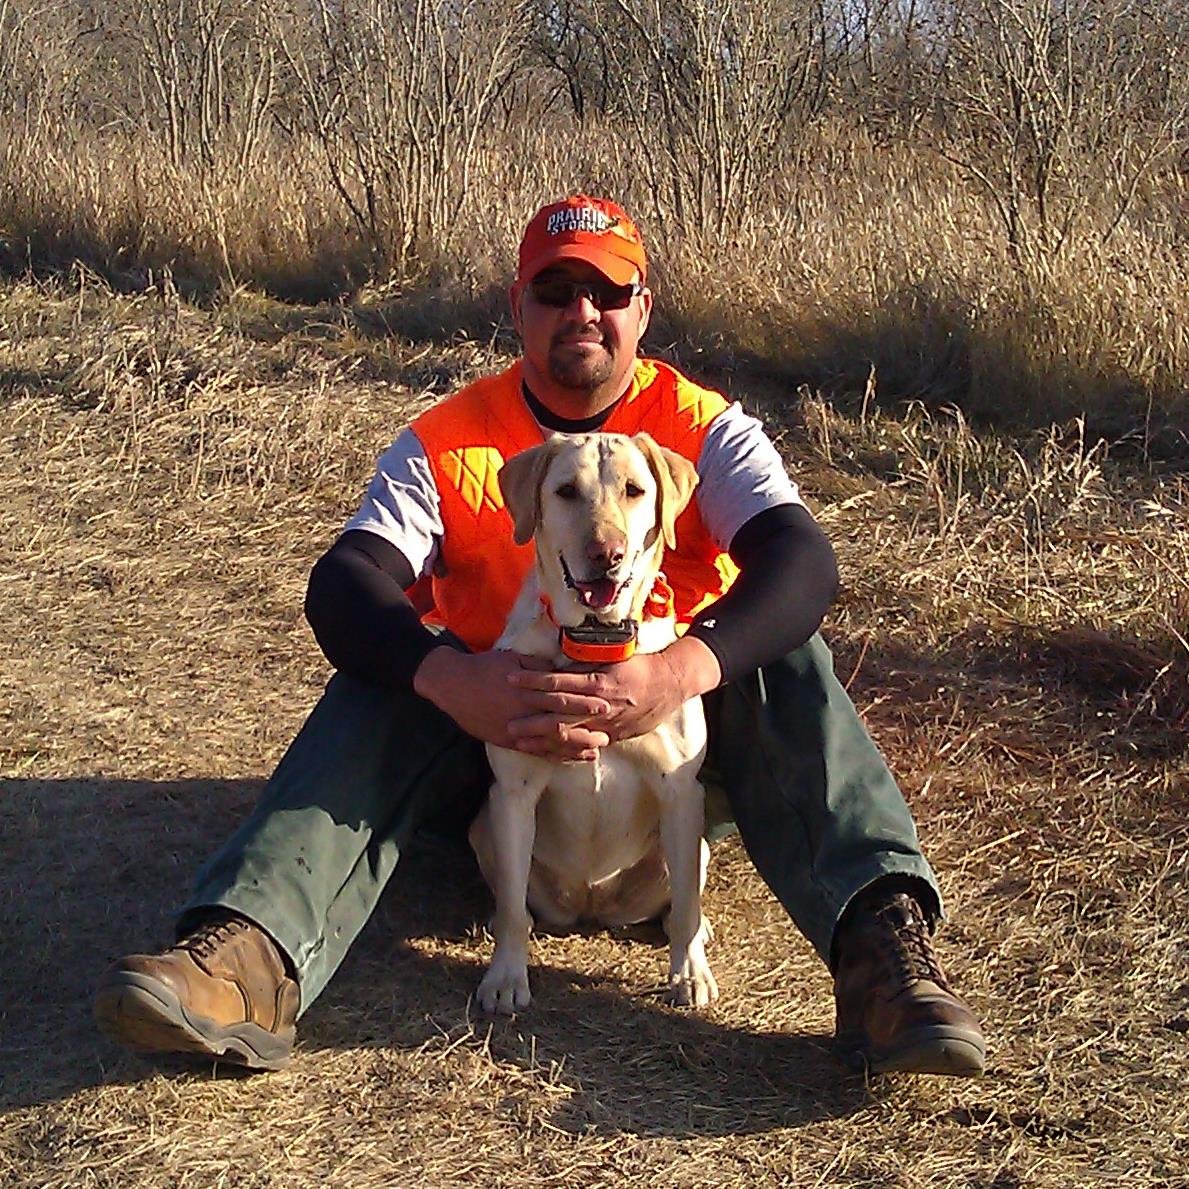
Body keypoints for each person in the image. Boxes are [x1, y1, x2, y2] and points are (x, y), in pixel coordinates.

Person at [94, 194, 986, 1077]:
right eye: (554, 291)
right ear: (518, 307)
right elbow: (343, 584)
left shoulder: (702, 430)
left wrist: (682, 669)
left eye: (605, 291)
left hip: (676, 746)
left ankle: (883, 956)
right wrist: (452, 678)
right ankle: (248, 955)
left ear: (642, 307)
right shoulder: (447, 443)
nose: (581, 312)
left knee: (786, 655)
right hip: (494, 738)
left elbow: (802, 564)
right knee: (386, 665)